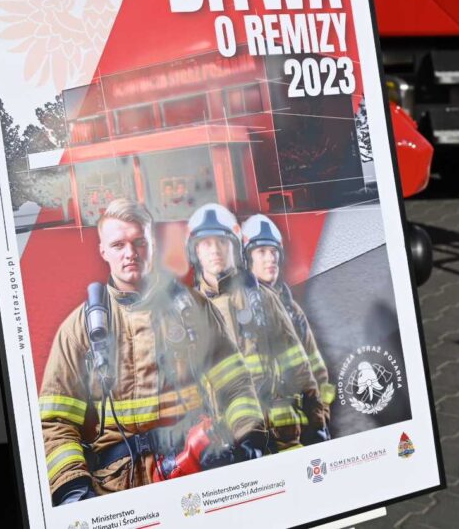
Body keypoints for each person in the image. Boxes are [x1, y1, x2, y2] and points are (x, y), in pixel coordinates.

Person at [39, 198, 266, 505]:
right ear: (103, 251)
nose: (130, 253)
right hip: (114, 489)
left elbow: (235, 386)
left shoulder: (194, 310)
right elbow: (55, 422)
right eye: (118, 245)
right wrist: (73, 489)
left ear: (152, 245)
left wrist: (250, 439)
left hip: (194, 472)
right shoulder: (78, 329)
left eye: (139, 242)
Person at [187, 203, 324, 452]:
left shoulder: (263, 298)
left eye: (222, 242)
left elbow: (298, 365)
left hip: (282, 436)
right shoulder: (189, 313)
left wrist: (317, 423)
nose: (215, 250)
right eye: (206, 243)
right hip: (229, 443)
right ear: (196, 251)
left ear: (234, 245)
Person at [240, 214, 334, 445]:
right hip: (265, 434)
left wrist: (321, 415)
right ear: (246, 259)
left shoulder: (292, 309)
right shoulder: (239, 308)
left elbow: (318, 370)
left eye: (274, 252)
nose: (270, 258)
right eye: (261, 251)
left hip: (303, 428)